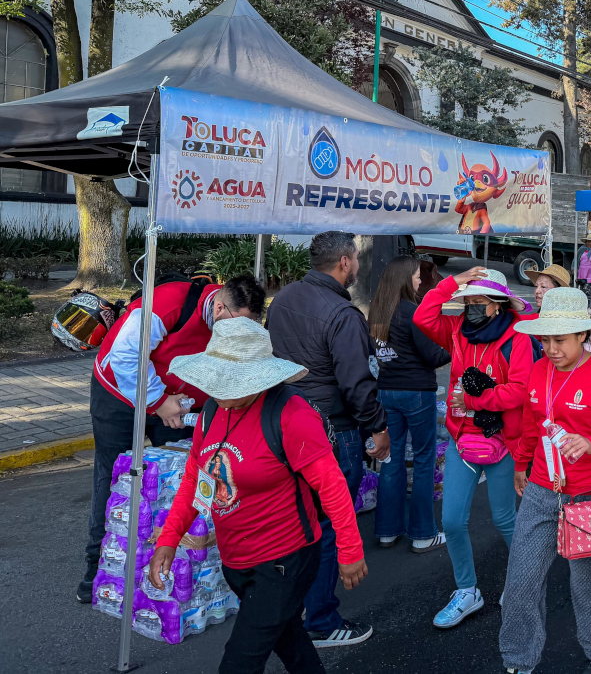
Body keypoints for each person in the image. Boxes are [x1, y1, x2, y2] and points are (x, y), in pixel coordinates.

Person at [148, 317, 366, 674]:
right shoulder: (212, 411)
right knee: (289, 639)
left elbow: (332, 486)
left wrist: (350, 550)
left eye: (231, 381)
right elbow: (195, 480)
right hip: (236, 559)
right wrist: (170, 538)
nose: (220, 389)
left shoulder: (291, 414)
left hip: (285, 559)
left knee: (239, 663)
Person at [80, 274, 265, 603]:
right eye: (238, 326)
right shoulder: (168, 304)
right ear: (219, 307)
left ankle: (184, 563)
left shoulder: (233, 319)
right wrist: (158, 401)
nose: (241, 334)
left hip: (176, 400)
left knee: (187, 476)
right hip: (118, 393)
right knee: (112, 478)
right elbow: (125, 358)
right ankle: (98, 569)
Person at [502, 288, 591, 674]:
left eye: (559, 340)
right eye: (545, 339)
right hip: (540, 489)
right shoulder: (538, 370)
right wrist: (521, 461)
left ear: (583, 335)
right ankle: (518, 660)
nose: (550, 348)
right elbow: (533, 424)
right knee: (520, 581)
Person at [266, 231, 387, 647]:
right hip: (334, 431)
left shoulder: (282, 300)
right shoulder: (342, 313)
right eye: (354, 259)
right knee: (330, 523)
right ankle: (320, 618)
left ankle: (298, 606)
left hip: (284, 426)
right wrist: (377, 428)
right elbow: (358, 384)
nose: (355, 265)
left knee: (299, 522)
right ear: (344, 262)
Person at [413, 266, 536, 629]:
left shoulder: (518, 336)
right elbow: (423, 315)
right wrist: (456, 281)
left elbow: (521, 389)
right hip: (461, 440)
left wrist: (473, 400)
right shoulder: (456, 330)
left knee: (504, 519)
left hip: (502, 440)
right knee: (451, 520)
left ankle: (523, 582)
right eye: (467, 301)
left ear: (497, 304)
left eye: (478, 301)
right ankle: (467, 590)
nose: (470, 307)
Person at [367, 256, 451, 552]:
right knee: (425, 461)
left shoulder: (377, 312)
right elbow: (432, 356)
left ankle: (387, 531)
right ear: (404, 279)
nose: (419, 280)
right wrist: (452, 345)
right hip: (416, 393)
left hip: (387, 392)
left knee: (390, 459)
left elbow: (376, 355)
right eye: (416, 276)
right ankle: (422, 533)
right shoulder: (412, 312)